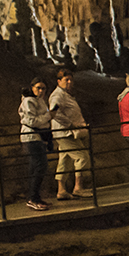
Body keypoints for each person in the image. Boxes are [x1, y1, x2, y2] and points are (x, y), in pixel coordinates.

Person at [49, 69, 90, 199]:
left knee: (65, 160)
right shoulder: (58, 96)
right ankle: (78, 187)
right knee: (82, 156)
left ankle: (61, 190)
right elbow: (54, 112)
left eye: (71, 80)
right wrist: (70, 125)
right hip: (65, 133)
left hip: (64, 133)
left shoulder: (65, 95)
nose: (69, 82)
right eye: (66, 80)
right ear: (59, 81)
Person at [19, 78, 53, 211]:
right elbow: (32, 121)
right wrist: (49, 116)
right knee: (40, 165)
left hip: (36, 137)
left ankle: (35, 197)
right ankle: (33, 198)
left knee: (36, 167)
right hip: (31, 137)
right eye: (38, 88)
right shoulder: (29, 101)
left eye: (43, 88)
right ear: (32, 87)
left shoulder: (39, 100)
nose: (41, 91)